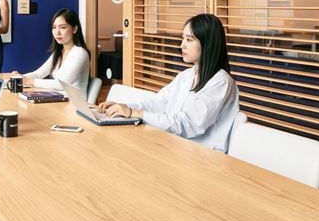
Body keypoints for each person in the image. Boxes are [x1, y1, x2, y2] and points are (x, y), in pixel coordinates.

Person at [98, 13, 240, 153]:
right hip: (176, 146)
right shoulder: (186, 76)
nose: (182, 45)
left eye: (189, 40)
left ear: (208, 44)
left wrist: (134, 113)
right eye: (183, 39)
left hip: (203, 156)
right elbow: (158, 103)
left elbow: (188, 124)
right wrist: (124, 107)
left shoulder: (221, 82)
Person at [23, 8, 90, 93]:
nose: (57, 32)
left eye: (62, 27)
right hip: (58, 99)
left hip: (73, 104)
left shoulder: (80, 53)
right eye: (54, 27)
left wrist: (32, 82)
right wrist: (20, 77)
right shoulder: (59, 53)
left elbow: (63, 85)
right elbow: (38, 74)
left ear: (75, 29)